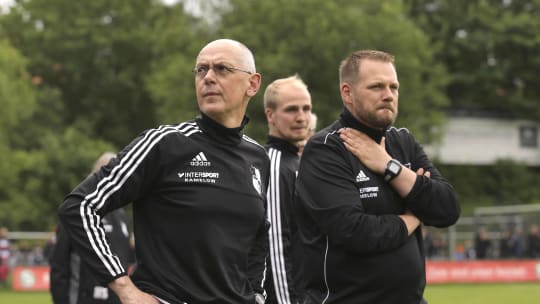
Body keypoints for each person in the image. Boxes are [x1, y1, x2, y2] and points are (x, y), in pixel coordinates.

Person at [58, 39, 269, 304]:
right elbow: (79, 206)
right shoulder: (165, 143)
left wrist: (258, 294)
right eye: (201, 70)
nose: (209, 78)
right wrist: (125, 289)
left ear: (253, 83)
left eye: (222, 69)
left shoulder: (258, 157)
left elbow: (261, 235)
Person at [294, 50, 460, 303]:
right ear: (347, 93)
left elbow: (447, 208)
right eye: (376, 87)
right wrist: (415, 214)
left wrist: (388, 165)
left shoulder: (403, 141)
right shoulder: (326, 148)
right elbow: (356, 232)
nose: (388, 95)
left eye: (394, 87)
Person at [50, 152, 132, 304]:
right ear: (96, 175)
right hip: (83, 298)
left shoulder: (121, 215)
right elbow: (59, 265)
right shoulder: (77, 211)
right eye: (108, 172)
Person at [263, 75, 313, 304]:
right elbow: (275, 245)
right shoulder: (274, 165)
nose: (302, 117)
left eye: (306, 108)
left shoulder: (299, 162)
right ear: (270, 115)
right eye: (292, 110)